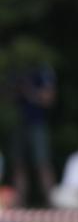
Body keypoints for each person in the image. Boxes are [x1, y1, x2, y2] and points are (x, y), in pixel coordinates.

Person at [9, 60, 57, 204]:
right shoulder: (17, 70)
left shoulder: (43, 71)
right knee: (18, 165)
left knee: (42, 164)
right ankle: (19, 203)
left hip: (37, 124)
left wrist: (29, 91)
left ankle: (52, 202)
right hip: (20, 124)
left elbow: (48, 99)